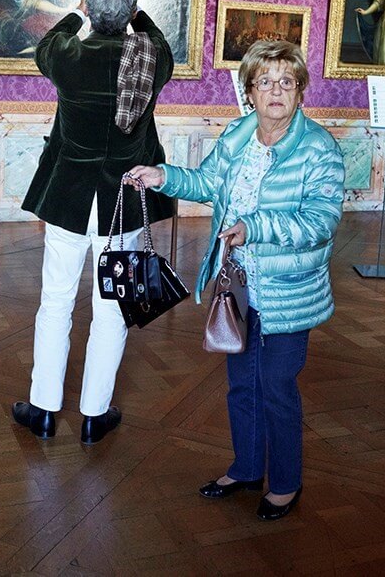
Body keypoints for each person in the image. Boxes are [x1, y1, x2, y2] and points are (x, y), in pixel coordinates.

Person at [128, 40, 345, 521]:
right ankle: (247, 467)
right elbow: (208, 183)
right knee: (242, 383)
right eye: (265, 82)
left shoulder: (319, 148)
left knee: (277, 386)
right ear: (249, 91)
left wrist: (255, 227)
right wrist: (163, 176)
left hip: (288, 291)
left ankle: (285, 483)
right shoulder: (237, 137)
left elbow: (321, 222)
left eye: (286, 82)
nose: (276, 91)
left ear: (300, 91)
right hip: (239, 283)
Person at [12, 0, 174, 444]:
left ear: (88, 6)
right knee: (111, 309)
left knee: (55, 302)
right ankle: (94, 415)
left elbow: (49, 41)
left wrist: (79, 11)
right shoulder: (152, 59)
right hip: (123, 202)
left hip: (70, 199)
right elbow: (155, 37)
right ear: (130, 11)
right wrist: (135, 13)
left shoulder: (67, 55)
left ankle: (43, 409)